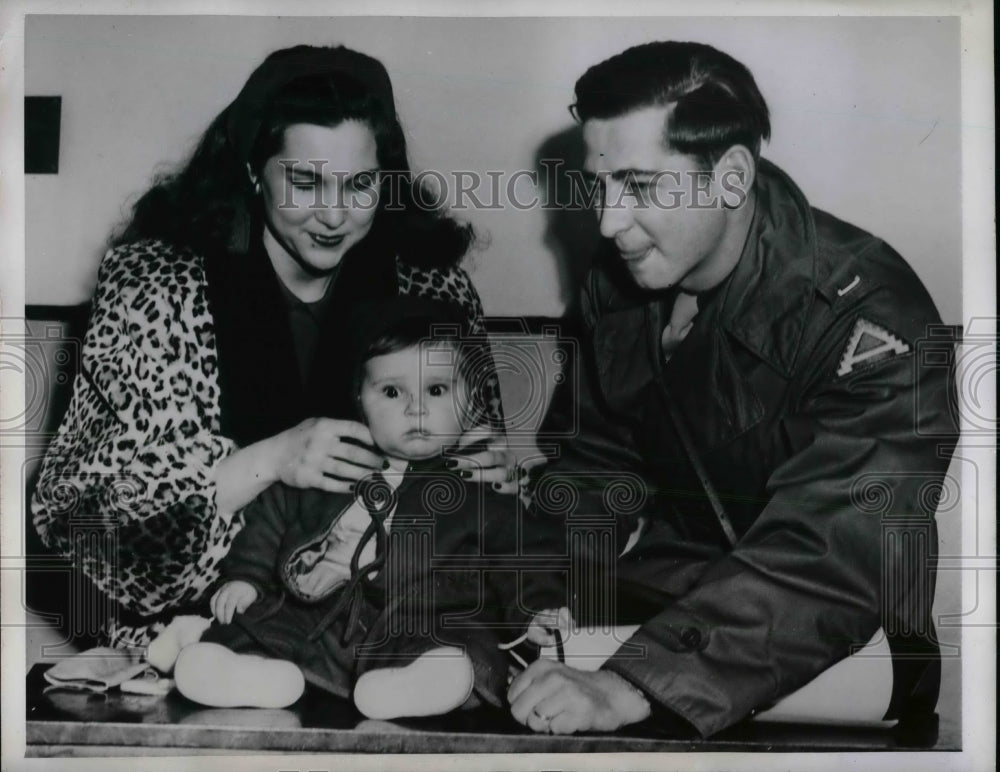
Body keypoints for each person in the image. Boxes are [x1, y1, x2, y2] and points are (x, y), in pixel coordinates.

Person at [508, 41, 959, 739]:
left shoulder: (870, 314)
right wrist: (537, 592)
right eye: (600, 186)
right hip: (649, 606)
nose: (608, 221)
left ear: (730, 177)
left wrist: (632, 681)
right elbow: (595, 466)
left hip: (836, 641)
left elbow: (837, 555)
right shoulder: (619, 276)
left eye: (640, 186)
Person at [31, 44, 517, 651]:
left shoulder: (436, 291)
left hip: (388, 638)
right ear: (253, 170)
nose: (334, 215)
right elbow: (80, 525)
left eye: (361, 184)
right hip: (193, 638)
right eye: (306, 182)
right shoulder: (151, 288)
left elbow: (485, 510)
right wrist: (269, 460)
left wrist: (493, 476)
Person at [165, 299, 570, 718]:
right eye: (392, 392)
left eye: (436, 390)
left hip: (421, 616)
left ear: (470, 402)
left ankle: (421, 685)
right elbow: (272, 514)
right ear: (359, 399)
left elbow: (522, 556)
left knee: (461, 643)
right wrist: (247, 578)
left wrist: (535, 609)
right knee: (264, 623)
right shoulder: (334, 462)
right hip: (321, 609)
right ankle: (253, 675)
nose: (416, 408)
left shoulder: (478, 487)